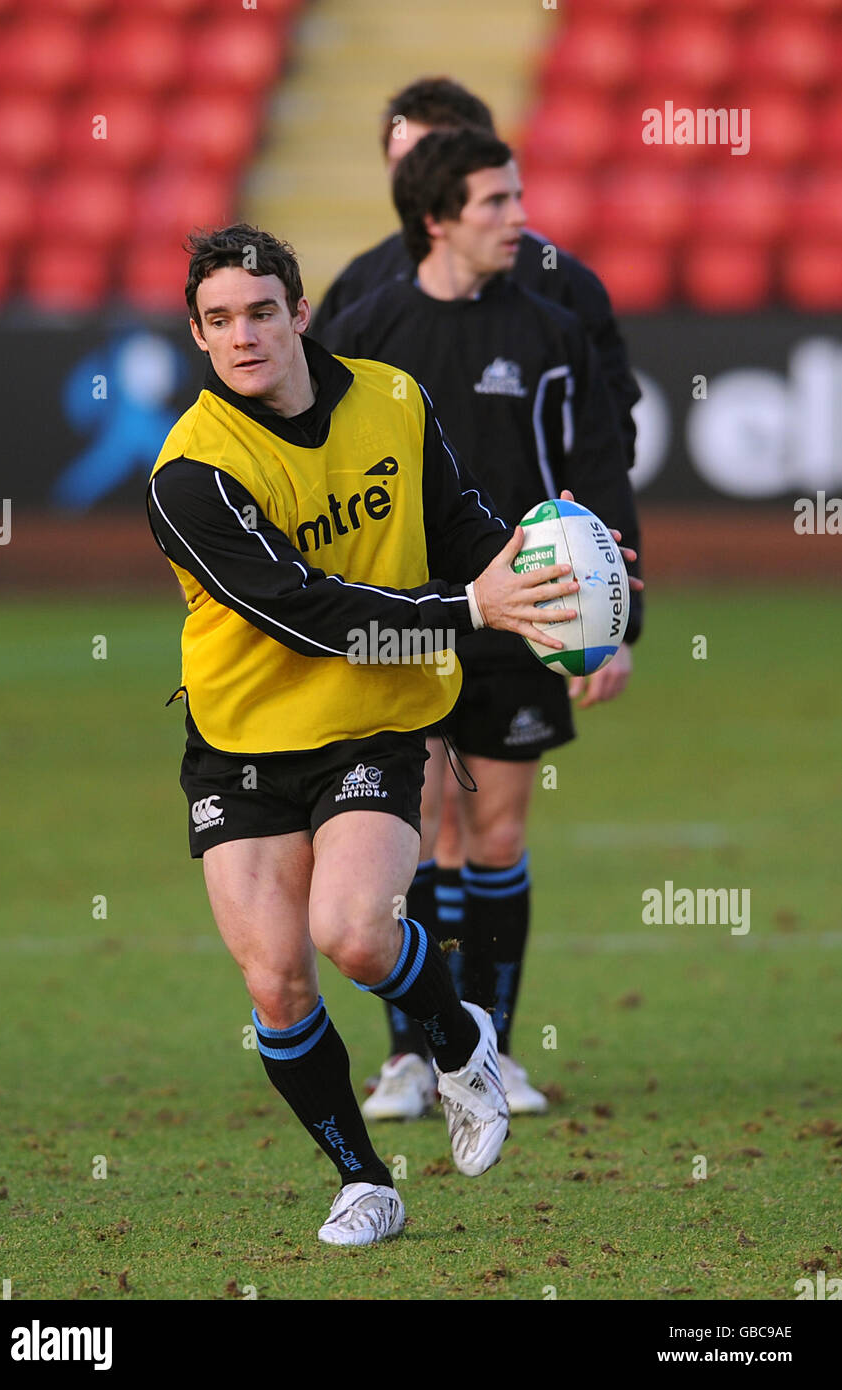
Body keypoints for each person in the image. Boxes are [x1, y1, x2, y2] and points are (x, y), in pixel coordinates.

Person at [145, 222, 610, 1248]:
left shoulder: (391, 398)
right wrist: (471, 610)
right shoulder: (190, 471)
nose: (243, 336)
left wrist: (545, 568)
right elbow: (303, 609)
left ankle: (457, 1041)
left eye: (261, 312)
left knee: (353, 931)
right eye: (218, 321)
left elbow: (460, 525)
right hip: (240, 741)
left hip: (376, 720)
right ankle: (366, 1180)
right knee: (273, 979)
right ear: (197, 335)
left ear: (299, 313)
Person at [319, 128, 643, 1119]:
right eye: (493, 203)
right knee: (409, 834)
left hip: (524, 616)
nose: (517, 219)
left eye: (516, 198)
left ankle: (490, 1048)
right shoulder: (366, 330)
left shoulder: (549, 332)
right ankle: (416, 1055)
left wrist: (616, 621)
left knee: (494, 836)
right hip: (409, 615)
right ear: (435, 219)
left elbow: (594, 474)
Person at [310, 76, 641, 469]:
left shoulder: (562, 284)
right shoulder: (360, 284)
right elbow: (318, 422)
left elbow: (609, 437)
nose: (412, 179)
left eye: (431, 158)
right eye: (401, 163)